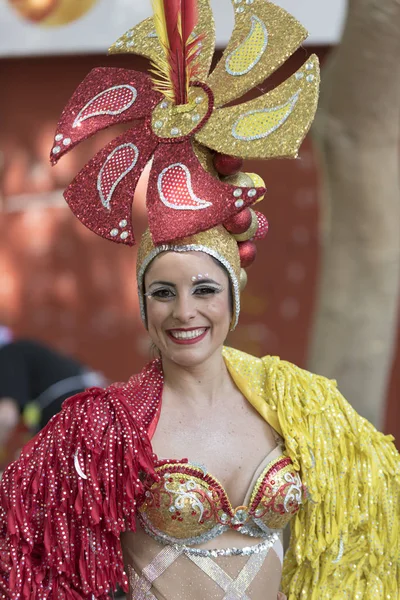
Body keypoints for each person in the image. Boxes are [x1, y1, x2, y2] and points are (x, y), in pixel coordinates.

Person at [1, 1, 399, 599]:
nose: (184, 310)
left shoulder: (301, 407)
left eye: (204, 289)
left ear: (232, 299)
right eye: (162, 292)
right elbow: (25, 547)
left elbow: (373, 512)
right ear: (144, 307)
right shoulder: (102, 427)